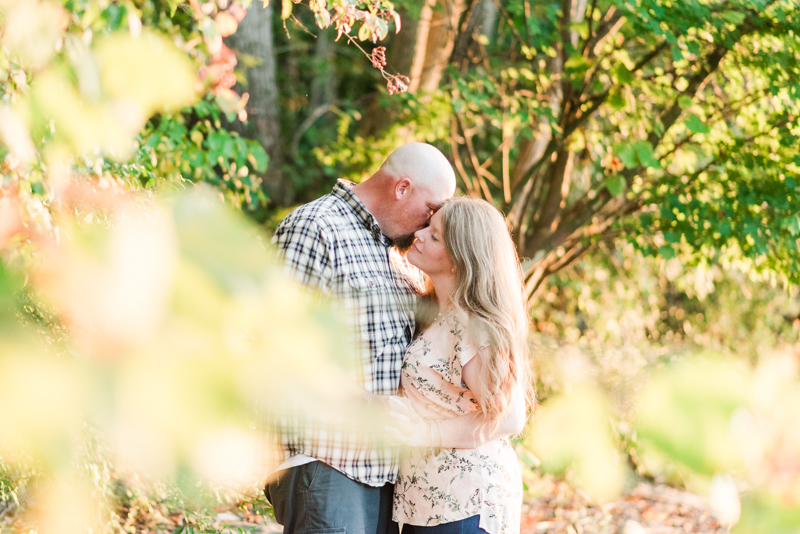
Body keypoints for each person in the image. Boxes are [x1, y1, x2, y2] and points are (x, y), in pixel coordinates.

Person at [267, 142, 457, 534]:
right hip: (326, 462)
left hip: (386, 473)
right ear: (402, 188)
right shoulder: (315, 227)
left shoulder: (399, 255)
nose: (429, 224)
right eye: (431, 210)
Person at [384, 197, 532, 534]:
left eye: (434, 236)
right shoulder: (433, 311)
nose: (418, 234)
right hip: (428, 499)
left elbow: (509, 417)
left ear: (459, 260)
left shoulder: (473, 325)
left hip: (466, 500)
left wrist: (425, 433)